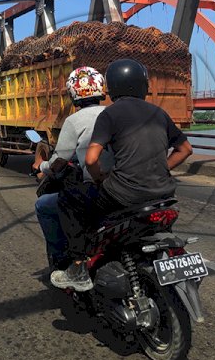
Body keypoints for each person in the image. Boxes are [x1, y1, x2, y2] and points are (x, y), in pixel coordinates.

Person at [51, 58, 193, 291]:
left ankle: (77, 267)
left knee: (70, 200)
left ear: (111, 87)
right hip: (164, 194)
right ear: (143, 85)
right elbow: (185, 149)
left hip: (125, 195)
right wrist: (162, 168)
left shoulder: (110, 114)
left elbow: (91, 159)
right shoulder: (159, 113)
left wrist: (99, 178)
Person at [32, 66, 107, 275]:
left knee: (44, 205)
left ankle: (64, 260)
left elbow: (59, 162)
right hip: (125, 184)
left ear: (73, 92)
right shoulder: (113, 113)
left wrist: (42, 166)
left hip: (96, 187)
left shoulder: (74, 120)